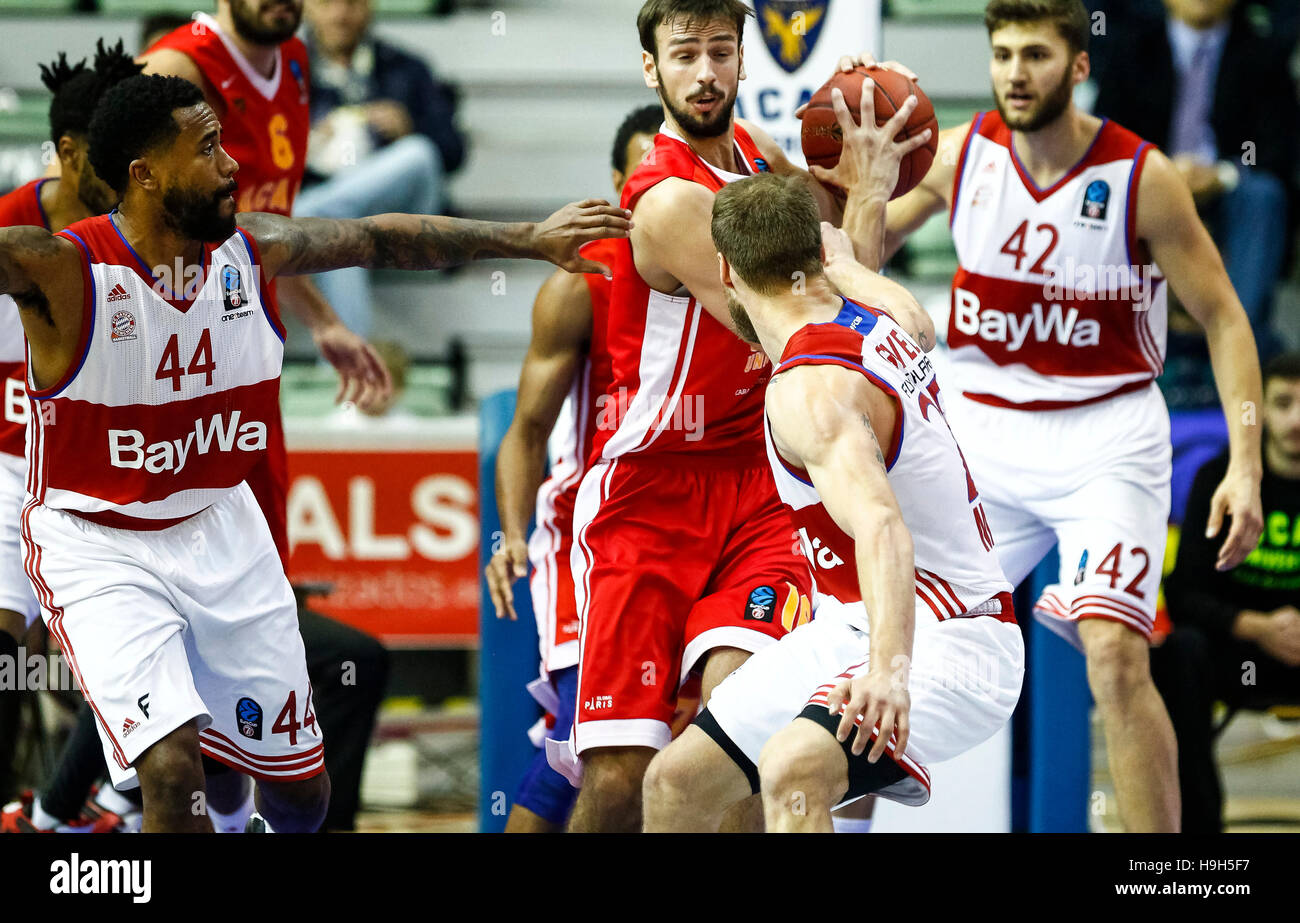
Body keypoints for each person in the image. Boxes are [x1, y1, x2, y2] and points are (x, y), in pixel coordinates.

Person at [0, 71, 629, 832]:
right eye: (206, 149)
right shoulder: (61, 269)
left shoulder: (251, 251)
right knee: (169, 770)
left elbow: (376, 238)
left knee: (303, 795)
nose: (231, 165)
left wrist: (525, 239)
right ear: (145, 174)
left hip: (221, 529)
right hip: (99, 542)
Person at [872, 0, 1263, 831]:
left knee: (1117, 656)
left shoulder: (1140, 178)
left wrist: (1246, 462)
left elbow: (1227, 317)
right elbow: (856, 246)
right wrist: (864, 192)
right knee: (886, 636)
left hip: (1105, 436)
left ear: (1077, 68)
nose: (1017, 71)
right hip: (980, 431)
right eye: (1003, 54)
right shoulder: (959, 154)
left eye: (1037, 55)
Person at [558, 0, 931, 833]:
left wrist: (856, 192)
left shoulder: (760, 165)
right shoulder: (664, 199)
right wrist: (864, 199)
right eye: (683, 54)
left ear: (740, 59)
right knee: (623, 777)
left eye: (720, 51)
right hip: (650, 493)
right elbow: (813, 318)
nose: (704, 72)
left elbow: (836, 311)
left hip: (759, 482)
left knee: (744, 733)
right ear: (651, 68)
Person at [642, 173, 1024, 832]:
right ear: (814, 255)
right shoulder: (880, 310)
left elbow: (881, 525)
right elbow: (920, 322)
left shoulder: (807, 390)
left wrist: (887, 670)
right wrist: (849, 256)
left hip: (950, 633)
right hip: (852, 621)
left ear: (725, 269)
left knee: (793, 768)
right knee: (674, 783)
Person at [485, 104, 662, 834]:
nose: (663, 194)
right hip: (594, 534)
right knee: (585, 750)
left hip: (701, 527)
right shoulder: (581, 285)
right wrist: (513, 534)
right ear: (618, 188)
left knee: (697, 743)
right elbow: (525, 430)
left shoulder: (731, 276)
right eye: (647, 177)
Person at [0, 40, 144, 819]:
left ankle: (78, 805)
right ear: (66, 152)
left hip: (102, 473)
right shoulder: (9, 234)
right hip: (10, 463)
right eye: (109, 154)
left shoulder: (138, 237)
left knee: (124, 655)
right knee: (5, 657)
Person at [1152, 351, 1300, 832]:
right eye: (1281, 404)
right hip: (1247, 664)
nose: (1295, 420)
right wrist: (1258, 629)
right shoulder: (1219, 479)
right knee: (1180, 652)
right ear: (1258, 410)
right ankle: (1199, 835)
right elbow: (1183, 592)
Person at [298, 0, 467, 338]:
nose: (340, 13)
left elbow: (453, 153)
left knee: (418, 152)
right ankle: (351, 373)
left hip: (406, 207)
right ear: (306, 8)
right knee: (339, 230)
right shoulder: (286, 70)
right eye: (327, 3)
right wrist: (304, 144)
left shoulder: (407, 67)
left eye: (352, 3)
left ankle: (307, 215)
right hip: (335, 203)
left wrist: (410, 126)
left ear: (370, 7)